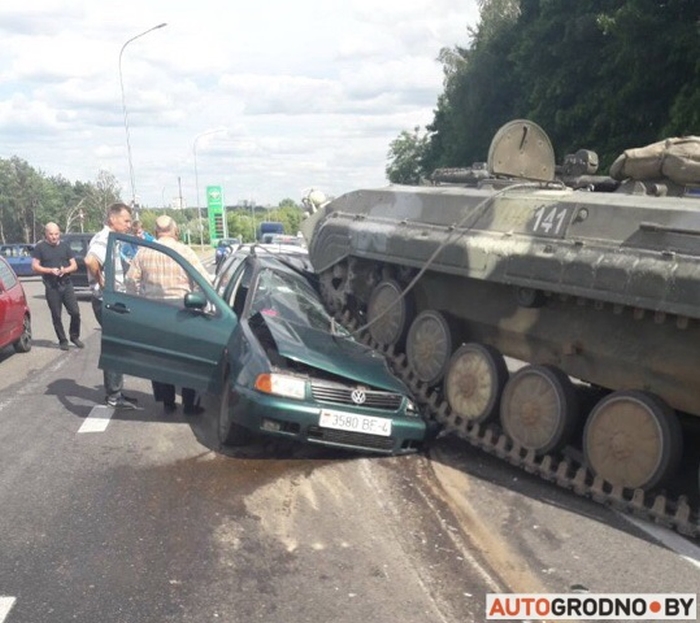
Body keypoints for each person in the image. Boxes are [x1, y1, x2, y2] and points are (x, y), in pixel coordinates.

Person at [125, 215, 211, 415]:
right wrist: (202, 304)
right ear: (175, 231)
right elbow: (203, 281)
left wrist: (139, 300)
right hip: (183, 311)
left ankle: (168, 403)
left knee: (160, 359)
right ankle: (189, 405)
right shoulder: (185, 251)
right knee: (186, 360)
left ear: (155, 232)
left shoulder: (144, 252)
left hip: (154, 315)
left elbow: (130, 281)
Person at [84, 203, 139, 410]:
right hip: (106, 302)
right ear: (112, 219)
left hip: (113, 301)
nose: (128, 224)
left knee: (117, 345)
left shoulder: (113, 239)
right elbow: (90, 261)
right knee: (114, 346)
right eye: (125, 221)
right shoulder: (103, 238)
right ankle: (114, 396)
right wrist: (102, 282)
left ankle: (117, 391)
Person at [31, 222, 83, 350]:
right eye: (51, 234)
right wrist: (49, 270)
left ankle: (74, 336)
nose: (54, 237)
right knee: (56, 315)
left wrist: (65, 270)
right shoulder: (40, 248)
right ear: (46, 234)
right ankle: (63, 340)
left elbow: (74, 265)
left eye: (56, 234)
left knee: (75, 312)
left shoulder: (65, 247)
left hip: (66, 283)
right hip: (51, 286)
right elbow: (34, 266)